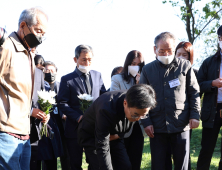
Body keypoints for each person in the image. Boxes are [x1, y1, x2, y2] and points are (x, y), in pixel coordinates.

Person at [140, 32, 200, 170]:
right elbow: (141, 99)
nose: (166, 54)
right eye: (162, 51)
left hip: (181, 124)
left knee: (182, 166)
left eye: (170, 51)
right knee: (159, 165)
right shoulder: (148, 70)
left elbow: (194, 92)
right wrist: (146, 122)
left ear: (174, 49)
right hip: (157, 127)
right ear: (155, 49)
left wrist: (195, 115)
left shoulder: (185, 66)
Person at [0, 7, 48, 170]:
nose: (40, 37)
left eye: (43, 33)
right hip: (5, 132)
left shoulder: (28, 54)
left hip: (24, 132)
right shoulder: (6, 47)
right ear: (23, 25)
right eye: (38, 30)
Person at [78, 84, 156, 170]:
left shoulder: (135, 105)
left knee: (125, 166)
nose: (138, 119)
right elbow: (102, 145)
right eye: (135, 115)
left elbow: (125, 130)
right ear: (125, 103)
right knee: (99, 166)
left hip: (115, 136)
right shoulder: (106, 108)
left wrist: (118, 136)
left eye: (143, 116)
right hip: (93, 136)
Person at [57, 44, 106, 170]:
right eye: (84, 59)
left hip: (94, 128)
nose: (87, 62)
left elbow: (103, 97)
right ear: (75, 59)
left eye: (89, 60)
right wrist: (78, 117)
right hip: (74, 129)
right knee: (75, 163)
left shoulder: (97, 75)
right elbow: (62, 103)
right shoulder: (67, 79)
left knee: (95, 162)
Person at [110, 50, 145, 170]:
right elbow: (115, 100)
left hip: (138, 126)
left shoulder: (144, 80)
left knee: (136, 162)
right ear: (127, 64)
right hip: (122, 126)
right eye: (133, 63)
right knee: (123, 164)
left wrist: (140, 84)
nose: (135, 67)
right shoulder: (117, 78)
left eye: (138, 64)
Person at [196, 25, 222, 170]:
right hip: (212, 110)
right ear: (219, 39)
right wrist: (212, 83)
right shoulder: (208, 62)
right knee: (206, 149)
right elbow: (197, 85)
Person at [43, 61, 71, 170]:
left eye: (52, 71)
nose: (50, 73)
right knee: (49, 157)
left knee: (66, 155)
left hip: (62, 124)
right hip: (48, 125)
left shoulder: (62, 86)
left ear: (56, 72)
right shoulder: (40, 87)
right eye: (47, 70)